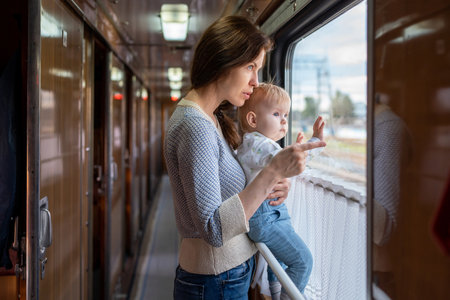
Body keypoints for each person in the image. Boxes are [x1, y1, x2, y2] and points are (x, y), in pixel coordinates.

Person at [164, 15, 326, 300]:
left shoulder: (210, 119)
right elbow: (214, 228)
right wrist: (271, 171)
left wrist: (275, 181)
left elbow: (230, 188)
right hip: (216, 280)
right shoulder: (195, 125)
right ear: (223, 60)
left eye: (258, 69)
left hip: (223, 276)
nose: (255, 81)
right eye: (250, 66)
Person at [236, 83, 325, 299]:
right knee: (303, 261)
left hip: (267, 215)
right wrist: (315, 141)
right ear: (253, 120)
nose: (284, 120)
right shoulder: (259, 144)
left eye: (285, 114)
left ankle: (276, 293)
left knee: (281, 261)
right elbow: (291, 160)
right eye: (276, 114)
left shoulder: (253, 144)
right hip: (266, 218)